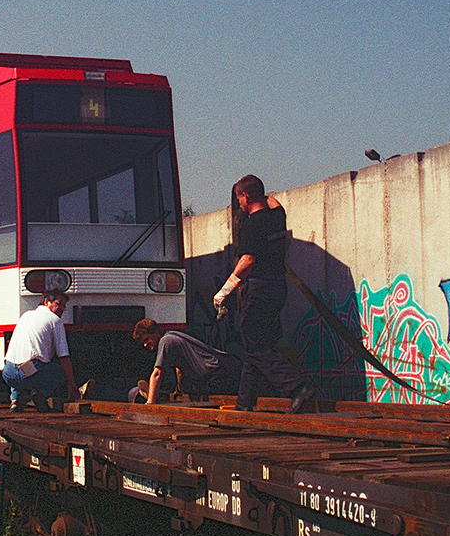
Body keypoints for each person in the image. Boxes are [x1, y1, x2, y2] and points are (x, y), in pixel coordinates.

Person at [212, 175, 316, 413]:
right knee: (256, 347)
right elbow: (275, 202)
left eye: (240, 199)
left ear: (246, 197)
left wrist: (224, 291)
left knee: (257, 348)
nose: (239, 204)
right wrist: (259, 192)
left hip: (258, 290)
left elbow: (248, 260)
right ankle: (244, 403)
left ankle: (297, 387)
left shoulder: (250, 225)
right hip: (278, 288)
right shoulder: (278, 218)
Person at [2, 288, 82, 412]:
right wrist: (71, 383)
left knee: (19, 362)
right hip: (30, 373)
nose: (61, 308)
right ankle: (39, 394)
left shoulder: (26, 315)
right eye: (58, 303)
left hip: (8, 372)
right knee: (59, 372)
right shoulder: (55, 321)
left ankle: (15, 400)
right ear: (46, 302)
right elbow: (63, 356)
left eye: (64, 306)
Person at [132, 319, 241, 404]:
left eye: (146, 339)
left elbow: (157, 373)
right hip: (222, 371)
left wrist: (150, 403)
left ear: (156, 333)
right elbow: (179, 368)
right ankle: (155, 394)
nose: (145, 345)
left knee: (192, 387)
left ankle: (153, 396)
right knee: (185, 384)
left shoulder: (166, 341)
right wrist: (180, 391)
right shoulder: (172, 336)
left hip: (221, 374)